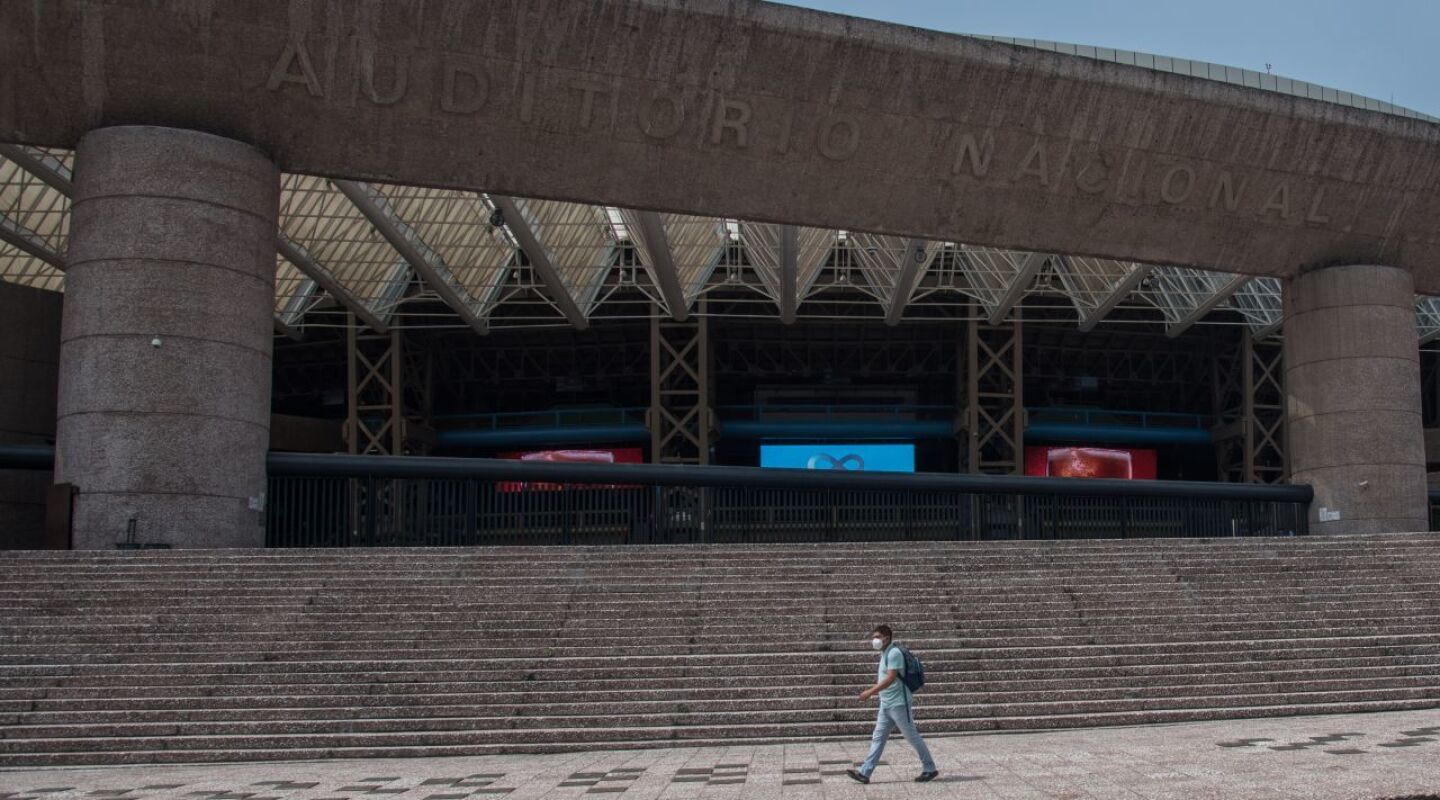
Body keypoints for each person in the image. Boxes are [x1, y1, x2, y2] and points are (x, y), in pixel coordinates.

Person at [847, 625, 939, 784]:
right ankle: (865, 772)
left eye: (877, 637)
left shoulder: (894, 653)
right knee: (878, 737)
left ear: (887, 638)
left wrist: (870, 692)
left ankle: (929, 768)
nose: (874, 640)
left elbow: (890, 678)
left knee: (912, 737)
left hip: (899, 704)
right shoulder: (885, 653)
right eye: (873, 637)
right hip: (886, 703)